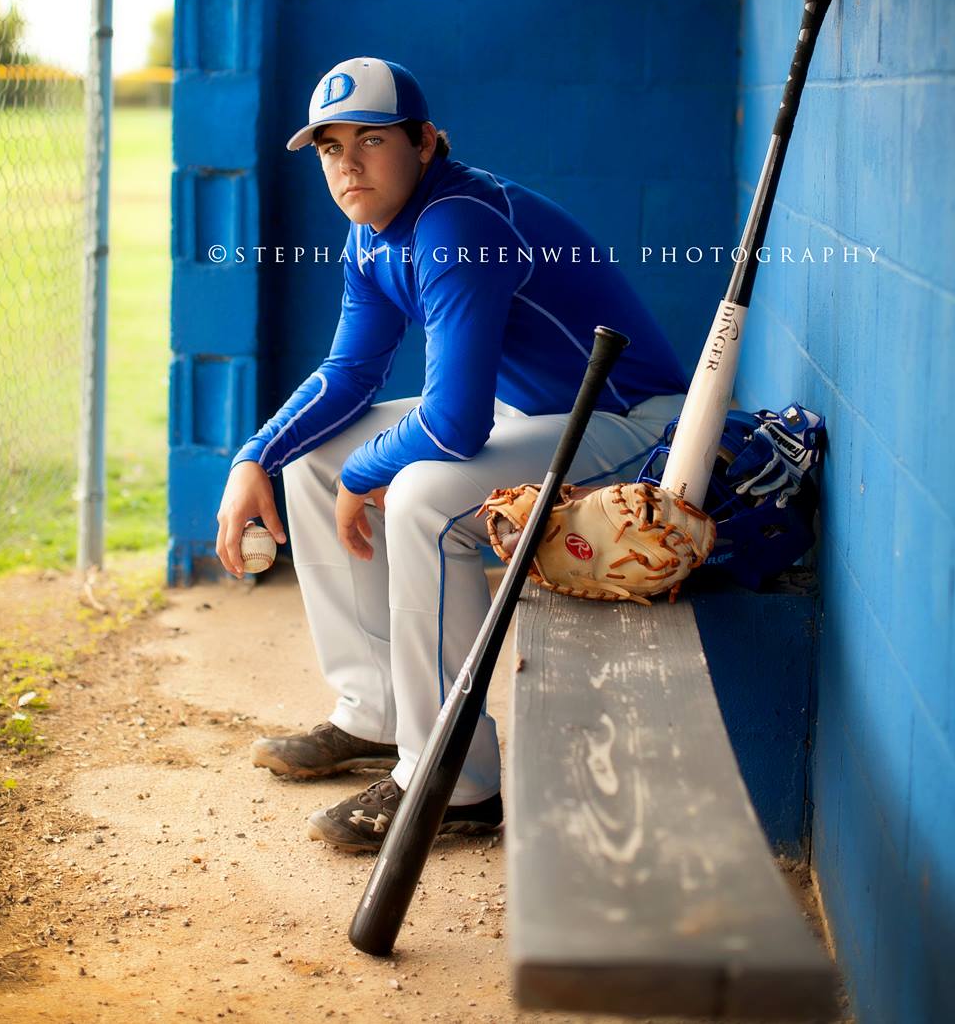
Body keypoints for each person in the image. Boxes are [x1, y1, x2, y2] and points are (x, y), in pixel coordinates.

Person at [215, 57, 688, 852]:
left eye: (371, 139)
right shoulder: (372, 233)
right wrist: (253, 455)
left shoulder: (459, 222)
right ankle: (377, 712)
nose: (349, 163)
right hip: (540, 412)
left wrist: (369, 473)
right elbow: (350, 373)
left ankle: (455, 781)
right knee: (312, 457)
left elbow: (453, 425)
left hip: (630, 424)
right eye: (330, 147)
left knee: (422, 498)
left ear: (426, 141)